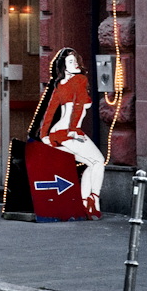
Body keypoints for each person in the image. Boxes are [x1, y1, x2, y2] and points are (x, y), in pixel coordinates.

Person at [33, 47, 105, 219]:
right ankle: (93, 199)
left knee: (91, 163)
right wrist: (73, 130)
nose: (75, 65)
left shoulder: (60, 85)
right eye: (70, 62)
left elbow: (50, 112)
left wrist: (45, 136)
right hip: (69, 132)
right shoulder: (79, 80)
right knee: (99, 161)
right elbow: (78, 107)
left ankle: (85, 201)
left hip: (57, 133)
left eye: (76, 61)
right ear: (64, 67)